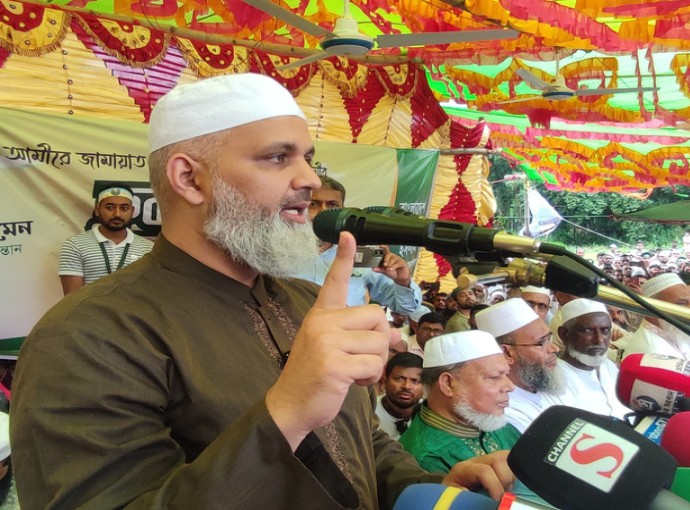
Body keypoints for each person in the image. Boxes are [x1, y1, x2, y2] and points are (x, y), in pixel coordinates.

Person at [12, 74, 512, 509]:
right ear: (189, 178)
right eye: (277, 158)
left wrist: (429, 492)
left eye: (308, 159)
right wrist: (286, 413)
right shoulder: (87, 334)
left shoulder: (303, 299)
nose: (310, 181)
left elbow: (359, 444)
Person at [399, 330, 520, 473]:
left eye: (506, 374)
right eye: (494, 377)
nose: (510, 386)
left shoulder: (489, 420)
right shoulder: (425, 458)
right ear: (448, 384)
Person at [299, 175, 423, 314]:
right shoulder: (279, 253)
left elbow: (407, 308)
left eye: (332, 205)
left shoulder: (363, 253)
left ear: (341, 211)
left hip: (346, 334)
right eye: (313, 204)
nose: (323, 212)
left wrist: (403, 281)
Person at [475, 298, 566, 433]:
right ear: (507, 353)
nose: (554, 349)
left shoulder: (549, 383)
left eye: (550, 339)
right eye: (542, 343)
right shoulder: (502, 411)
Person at [57, 184, 154, 295]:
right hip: (90, 312)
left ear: (132, 211)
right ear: (97, 210)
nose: (117, 214)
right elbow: (71, 300)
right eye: (110, 207)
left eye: (124, 208)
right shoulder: (75, 245)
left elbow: (148, 294)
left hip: (133, 312)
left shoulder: (148, 248)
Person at [555, 299, 631, 420]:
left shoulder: (608, 366)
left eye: (605, 330)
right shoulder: (556, 378)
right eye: (588, 330)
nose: (599, 340)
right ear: (564, 334)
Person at [376, 353, 424, 440]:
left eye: (415, 381)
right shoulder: (369, 412)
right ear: (384, 382)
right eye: (399, 379)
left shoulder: (428, 414)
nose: (406, 386)